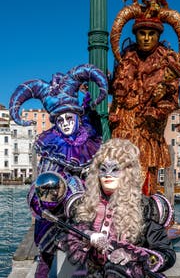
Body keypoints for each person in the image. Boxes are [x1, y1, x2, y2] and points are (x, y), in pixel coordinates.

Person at [9, 63, 108, 277]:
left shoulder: (89, 140)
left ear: (76, 117)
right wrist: (44, 200)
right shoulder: (51, 144)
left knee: (83, 252)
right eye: (59, 120)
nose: (64, 123)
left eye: (68, 118)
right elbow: (43, 182)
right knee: (46, 253)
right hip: (56, 205)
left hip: (84, 208)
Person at [109, 0, 180, 194]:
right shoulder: (124, 62)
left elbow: (171, 100)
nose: (146, 38)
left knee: (144, 184)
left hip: (148, 135)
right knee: (118, 181)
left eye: (151, 34)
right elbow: (117, 89)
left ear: (157, 36)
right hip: (122, 131)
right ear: (136, 35)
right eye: (142, 33)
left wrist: (156, 109)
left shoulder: (167, 63)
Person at [60, 138, 176, 278]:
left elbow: (166, 253)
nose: (108, 174)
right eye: (103, 169)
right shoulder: (83, 204)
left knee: (117, 268)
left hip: (128, 274)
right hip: (90, 273)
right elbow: (63, 236)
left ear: (128, 173)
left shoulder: (146, 208)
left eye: (115, 169)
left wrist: (134, 256)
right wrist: (86, 235)